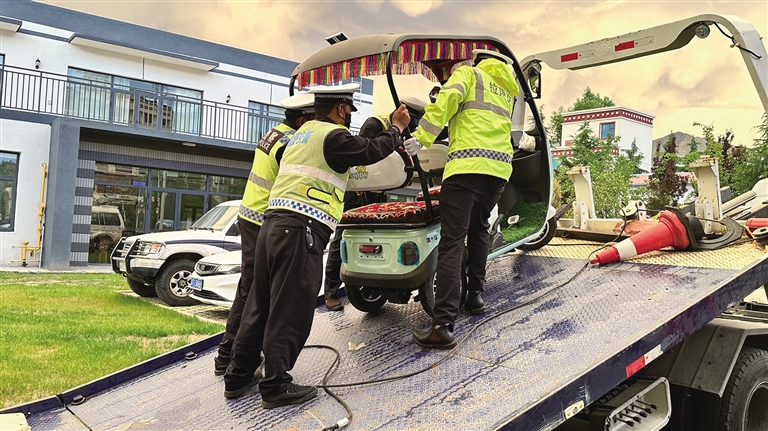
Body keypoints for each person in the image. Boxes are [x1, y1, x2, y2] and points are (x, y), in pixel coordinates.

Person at [224, 83, 410, 407]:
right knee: (290, 308)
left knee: (260, 305)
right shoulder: (333, 136)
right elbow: (371, 150)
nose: (349, 118)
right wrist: (396, 128)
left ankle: (238, 376)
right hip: (300, 230)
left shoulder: (301, 134)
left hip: (272, 225)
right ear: (341, 109)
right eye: (349, 112)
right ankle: (275, 385)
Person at [404, 49, 519, 350]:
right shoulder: (507, 91)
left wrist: (421, 138)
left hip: (466, 167)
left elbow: (444, 104)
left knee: (453, 241)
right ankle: (475, 297)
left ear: (476, 61)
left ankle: (442, 325)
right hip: (498, 172)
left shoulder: (468, 74)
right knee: (479, 229)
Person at [213, 93, 315, 376]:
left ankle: (230, 354)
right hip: (263, 218)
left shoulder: (274, 133)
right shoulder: (289, 143)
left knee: (251, 287)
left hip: (253, 215)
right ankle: (228, 354)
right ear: (303, 120)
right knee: (252, 290)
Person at [323, 95, 426, 311]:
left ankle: (376, 284)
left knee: (381, 237)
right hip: (359, 191)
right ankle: (331, 292)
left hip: (379, 191)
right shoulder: (376, 124)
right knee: (344, 237)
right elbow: (362, 157)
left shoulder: (403, 129)